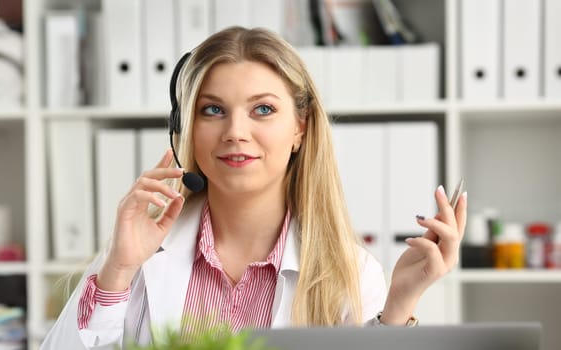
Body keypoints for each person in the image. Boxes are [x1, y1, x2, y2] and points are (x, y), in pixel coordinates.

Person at [41, 26, 467, 349]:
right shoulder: (138, 255)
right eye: (213, 110)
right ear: (185, 128)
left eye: (262, 109)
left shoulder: (352, 274)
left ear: (300, 127)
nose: (235, 132)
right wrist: (117, 270)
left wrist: (399, 307)